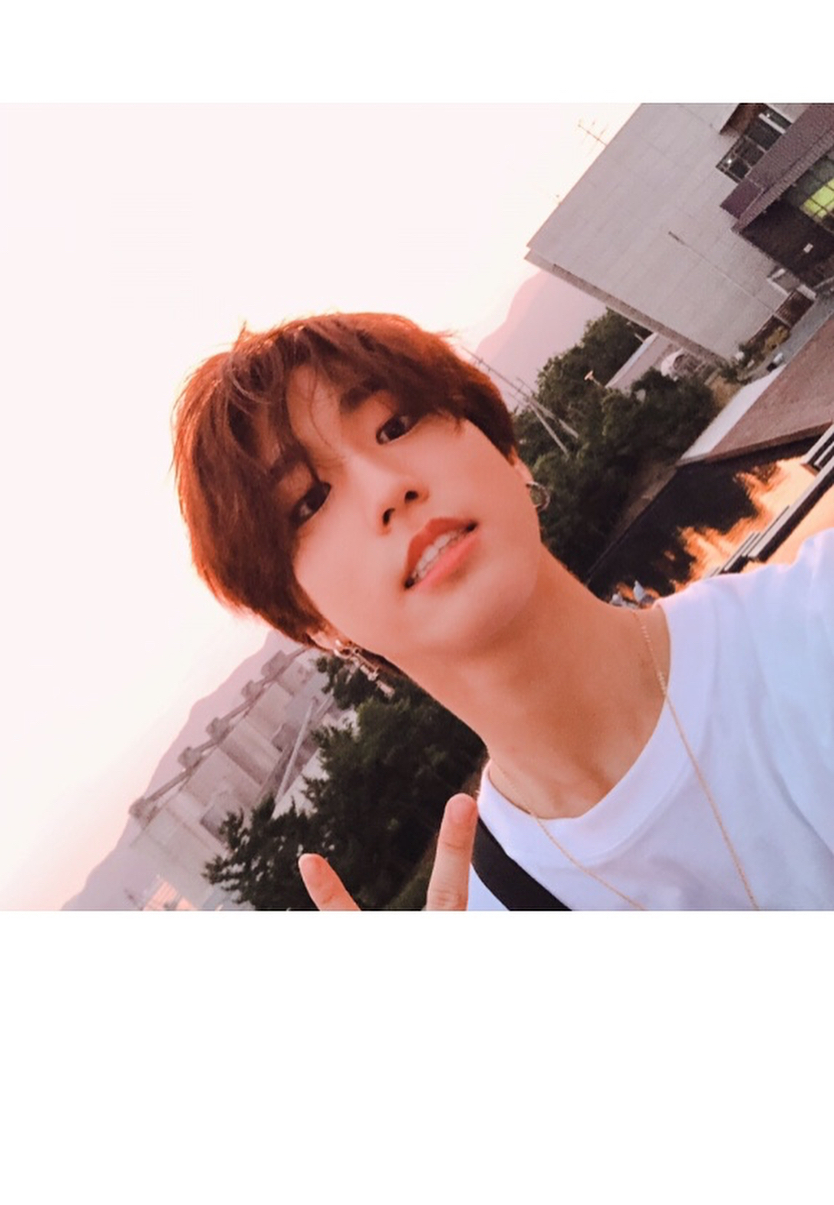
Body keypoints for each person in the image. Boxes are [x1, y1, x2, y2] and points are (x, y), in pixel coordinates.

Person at [171, 311, 834, 910]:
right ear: (315, 625)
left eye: (395, 426)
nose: (388, 488)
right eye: (311, 502)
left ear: (505, 450)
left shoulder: (809, 623)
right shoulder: (489, 918)